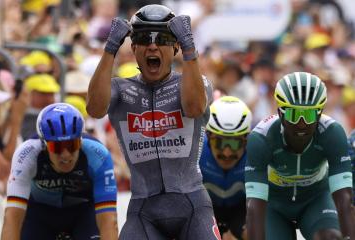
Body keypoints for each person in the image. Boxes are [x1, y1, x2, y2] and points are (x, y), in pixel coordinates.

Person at [87, 4, 221, 240]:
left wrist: (189, 47)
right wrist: (110, 49)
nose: (152, 45)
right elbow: (95, 109)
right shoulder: (121, 89)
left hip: (192, 206)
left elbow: (194, 107)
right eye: (143, 38)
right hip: (143, 210)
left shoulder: (195, 83)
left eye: (162, 39)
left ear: (175, 47)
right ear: (134, 47)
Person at [245, 72, 354, 240]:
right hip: (274, 206)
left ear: (320, 113)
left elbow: (344, 198)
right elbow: (254, 206)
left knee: (330, 237)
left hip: (316, 200)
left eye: (309, 115)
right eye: (294, 115)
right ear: (280, 112)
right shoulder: (261, 138)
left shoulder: (332, 133)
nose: (302, 123)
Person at [1, 103, 118, 240]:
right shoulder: (27, 155)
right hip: (39, 215)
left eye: (72, 145)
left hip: (84, 213)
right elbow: (12, 219)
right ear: (44, 144)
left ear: (80, 141)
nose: (66, 155)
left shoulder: (98, 154)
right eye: (57, 147)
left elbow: (109, 221)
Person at [200, 96, 251, 240]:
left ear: (247, 140)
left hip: (241, 210)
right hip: (207, 210)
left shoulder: (256, 152)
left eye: (235, 144)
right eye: (220, 143)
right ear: (208, 136)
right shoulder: (196, 151)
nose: (227, 152)